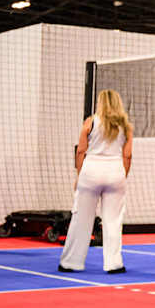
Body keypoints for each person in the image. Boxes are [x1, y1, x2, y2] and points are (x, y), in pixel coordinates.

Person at [58, 90, 132, 273]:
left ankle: (71, 262)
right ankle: (114, 264)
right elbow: (127, 155)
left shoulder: (90, 122)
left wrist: (79, 176)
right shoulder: (126, 126)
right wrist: (123, 175)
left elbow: (80, 151)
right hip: (115, 172)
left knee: (81, 218)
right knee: (113, 221)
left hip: (91, 172)